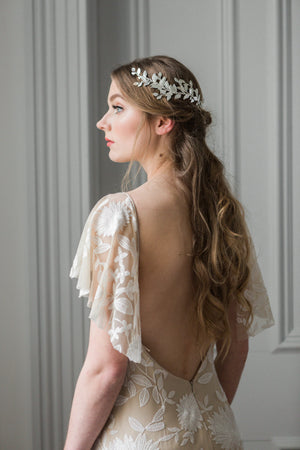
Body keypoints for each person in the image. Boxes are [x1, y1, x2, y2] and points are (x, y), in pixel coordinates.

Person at [64, 55, 274, 450]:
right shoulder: (221, 212)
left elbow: (106, 369)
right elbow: (236, 346)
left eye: (117, 107)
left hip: (142, 437)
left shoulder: (121, 214)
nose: (102, 122)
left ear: (163, 122)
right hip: (218, 434)